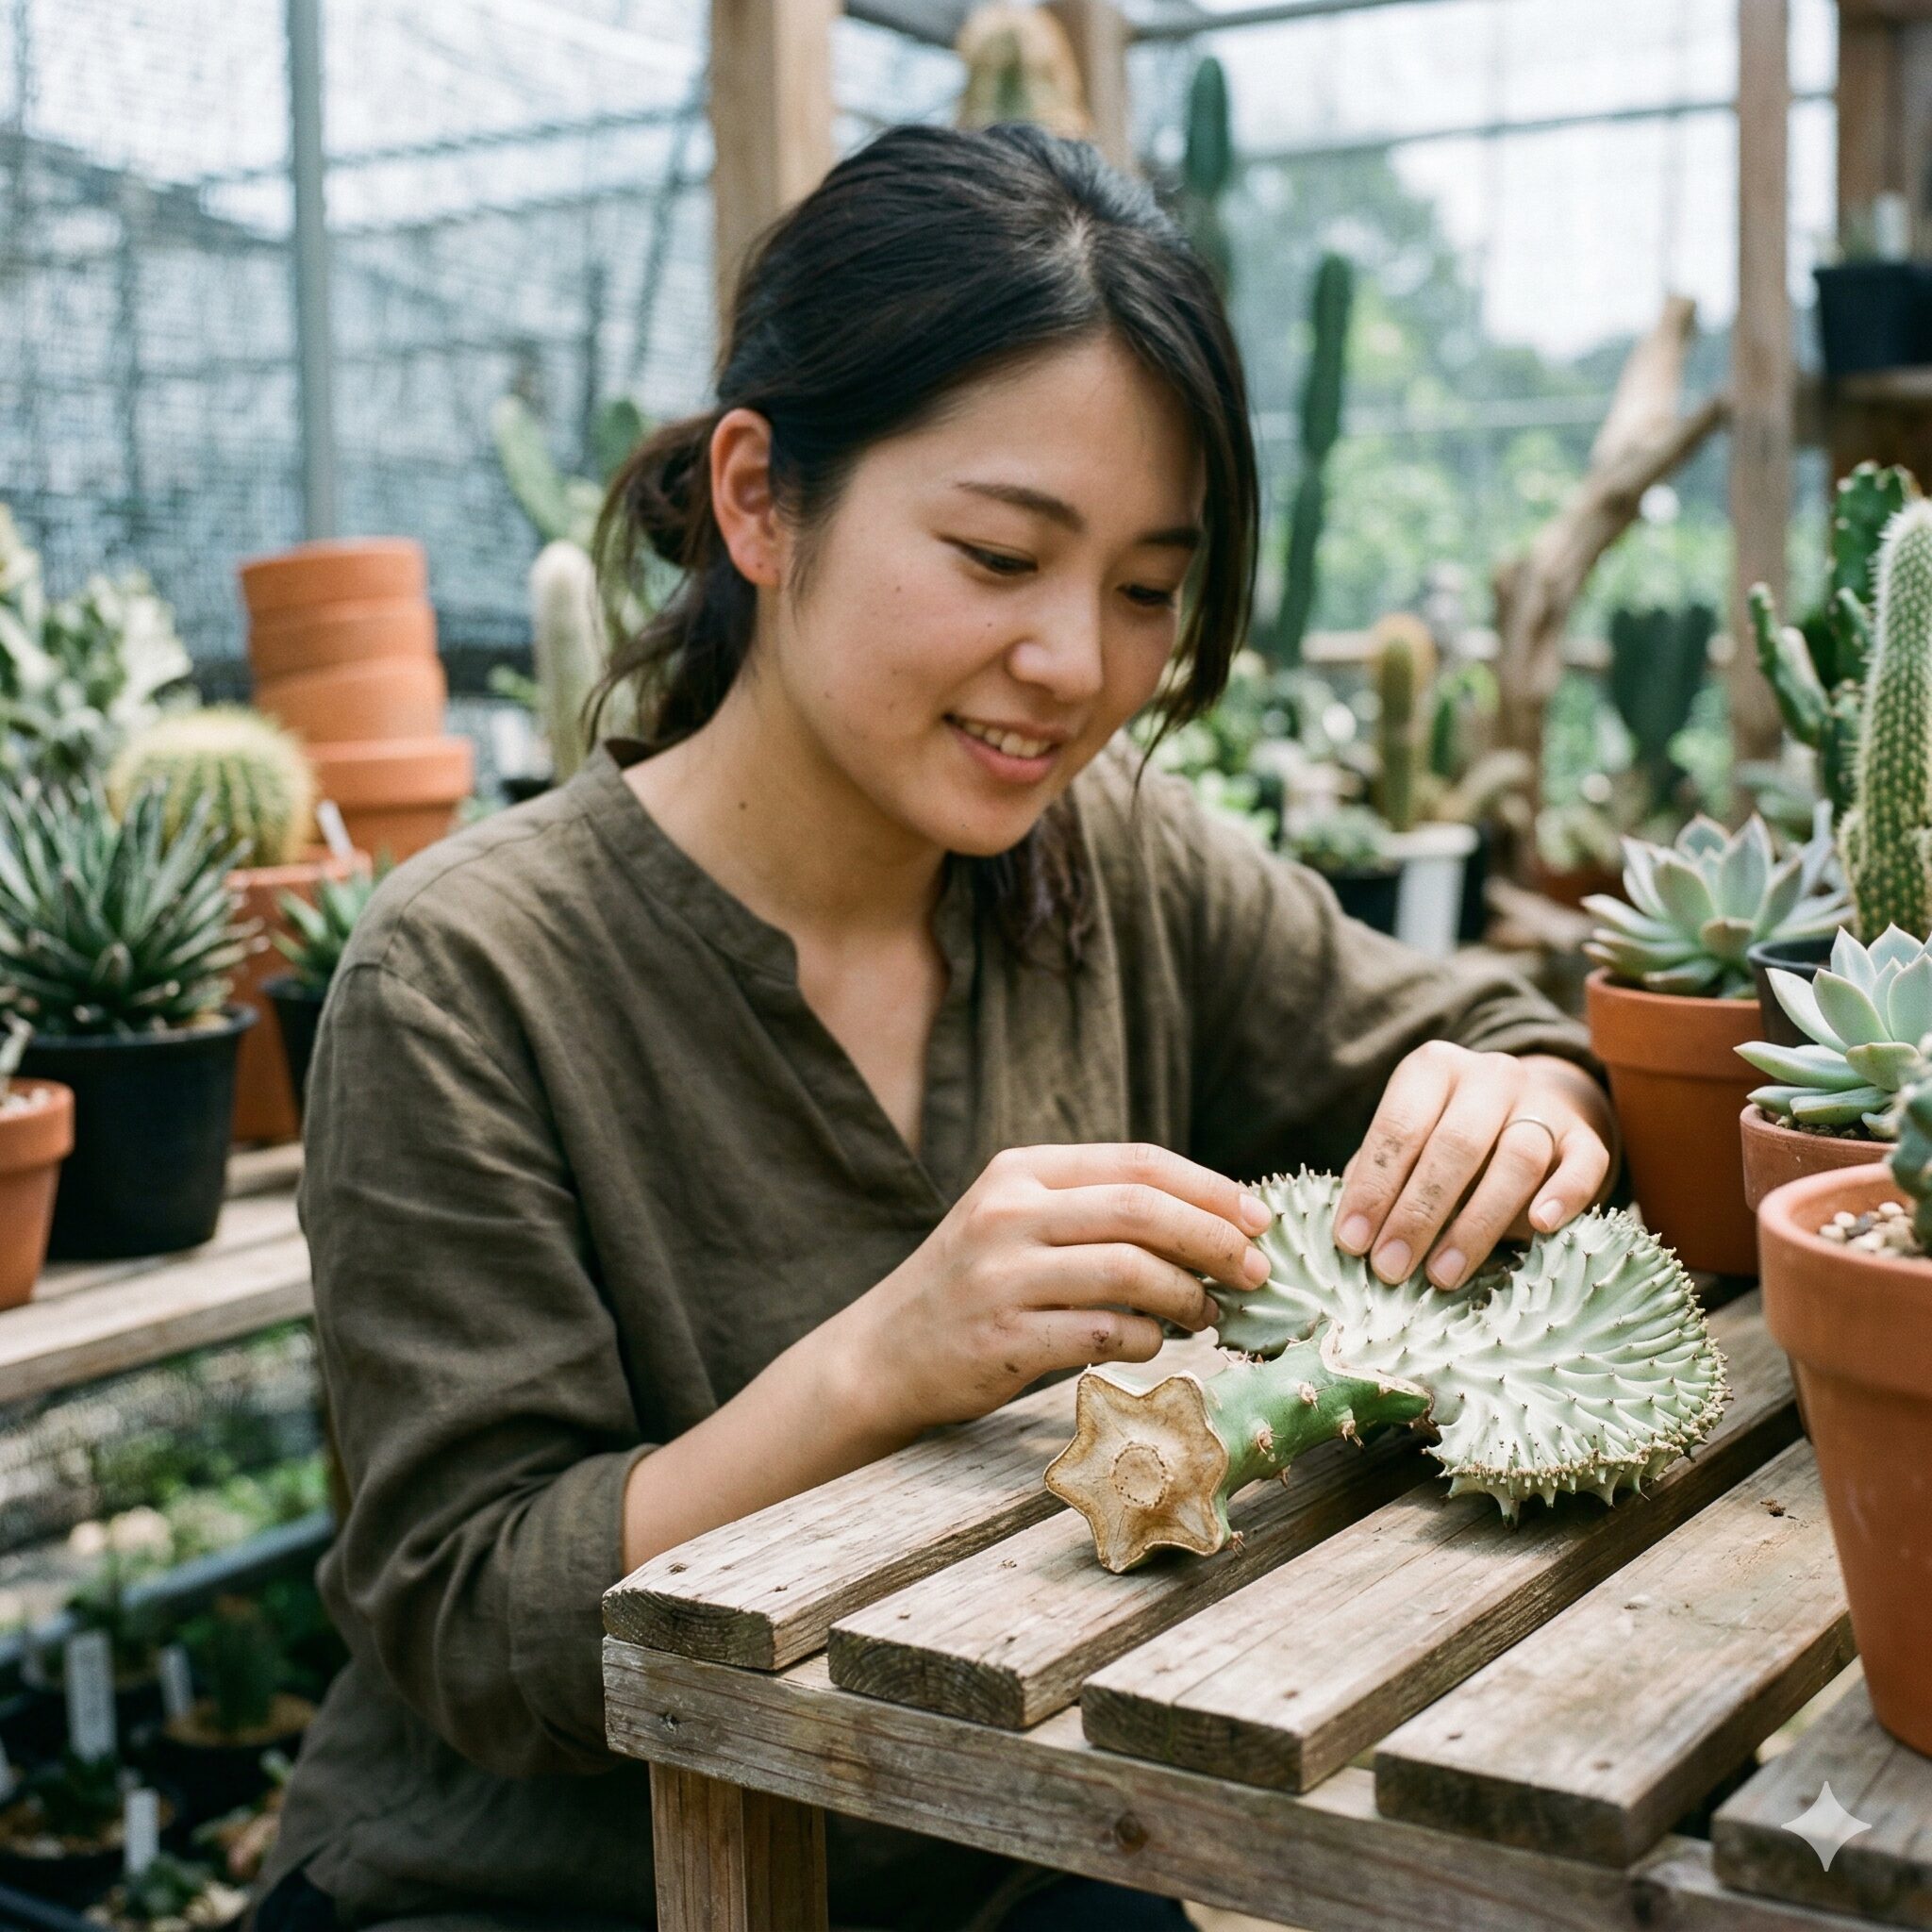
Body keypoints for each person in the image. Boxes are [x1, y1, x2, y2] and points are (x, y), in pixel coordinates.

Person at [251, 122, 1612, 1932]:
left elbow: (1493, 1027)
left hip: (980, 1844)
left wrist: (1518, 1092)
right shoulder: (465, 976)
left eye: (1146, 588)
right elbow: (476, 1626)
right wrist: (882, 1363)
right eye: (996, 555)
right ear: (758, 499)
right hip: (524, 1888)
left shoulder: (1104, 855)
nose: (1079, 663)